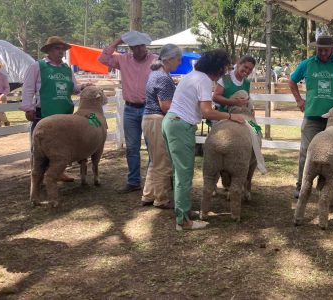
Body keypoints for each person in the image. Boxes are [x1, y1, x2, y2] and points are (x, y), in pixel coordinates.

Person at [162, 49, 247, 231]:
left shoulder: (192, 76)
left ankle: (183, 211)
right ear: (216, 67)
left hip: (171, 122)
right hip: (180, 125)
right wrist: (231, 117)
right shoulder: (204, 80)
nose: (224, 72)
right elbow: (207, 111)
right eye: (224, 68)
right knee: (184, 174)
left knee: (179, 173)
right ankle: (183, 222)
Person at [288, 35, 333, 198]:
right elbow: (292, 81)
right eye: (320, 49)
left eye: (326, 50)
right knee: (306, 152)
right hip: (312, 116)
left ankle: (331, 188)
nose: (323, 53)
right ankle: (301, 185)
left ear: (332, 49)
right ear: (316, 49)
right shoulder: (307, 64)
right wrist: (299, 100)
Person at [21, 36, 88, 182]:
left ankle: (58, 172)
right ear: (49, 51)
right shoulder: (37, 66)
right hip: (44, 113)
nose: (61, 51)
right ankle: (37, 178)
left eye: (62, 49)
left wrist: (83, 87)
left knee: (62, 146)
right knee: (40, 147)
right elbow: (28, 88)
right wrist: (28, 108)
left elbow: (74, 88)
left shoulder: (66, 69)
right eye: (57, 48)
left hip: (64, 115)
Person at [99, 31, 157, 193]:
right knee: (132, 147)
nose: (138, 49)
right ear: (130, 47)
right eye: (134, 46)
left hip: (149, 108)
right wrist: (117, 41)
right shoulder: (123, 59)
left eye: (140, 46)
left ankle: (152, 181)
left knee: (152, 146)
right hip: (130, 108)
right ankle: (133, 181)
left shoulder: (154, 60)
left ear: (145, 46)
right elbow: (102, 59)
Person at [141, 44, 182, 209]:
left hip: (149, 119)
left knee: (155, 160)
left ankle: (148, 194)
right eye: (178, 59)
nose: (179, 63)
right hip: (157, 120)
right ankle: (161, 198)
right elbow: (166, 106)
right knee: (163, 161)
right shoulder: (163, 78)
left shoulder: (155, 74)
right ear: (170, 59)